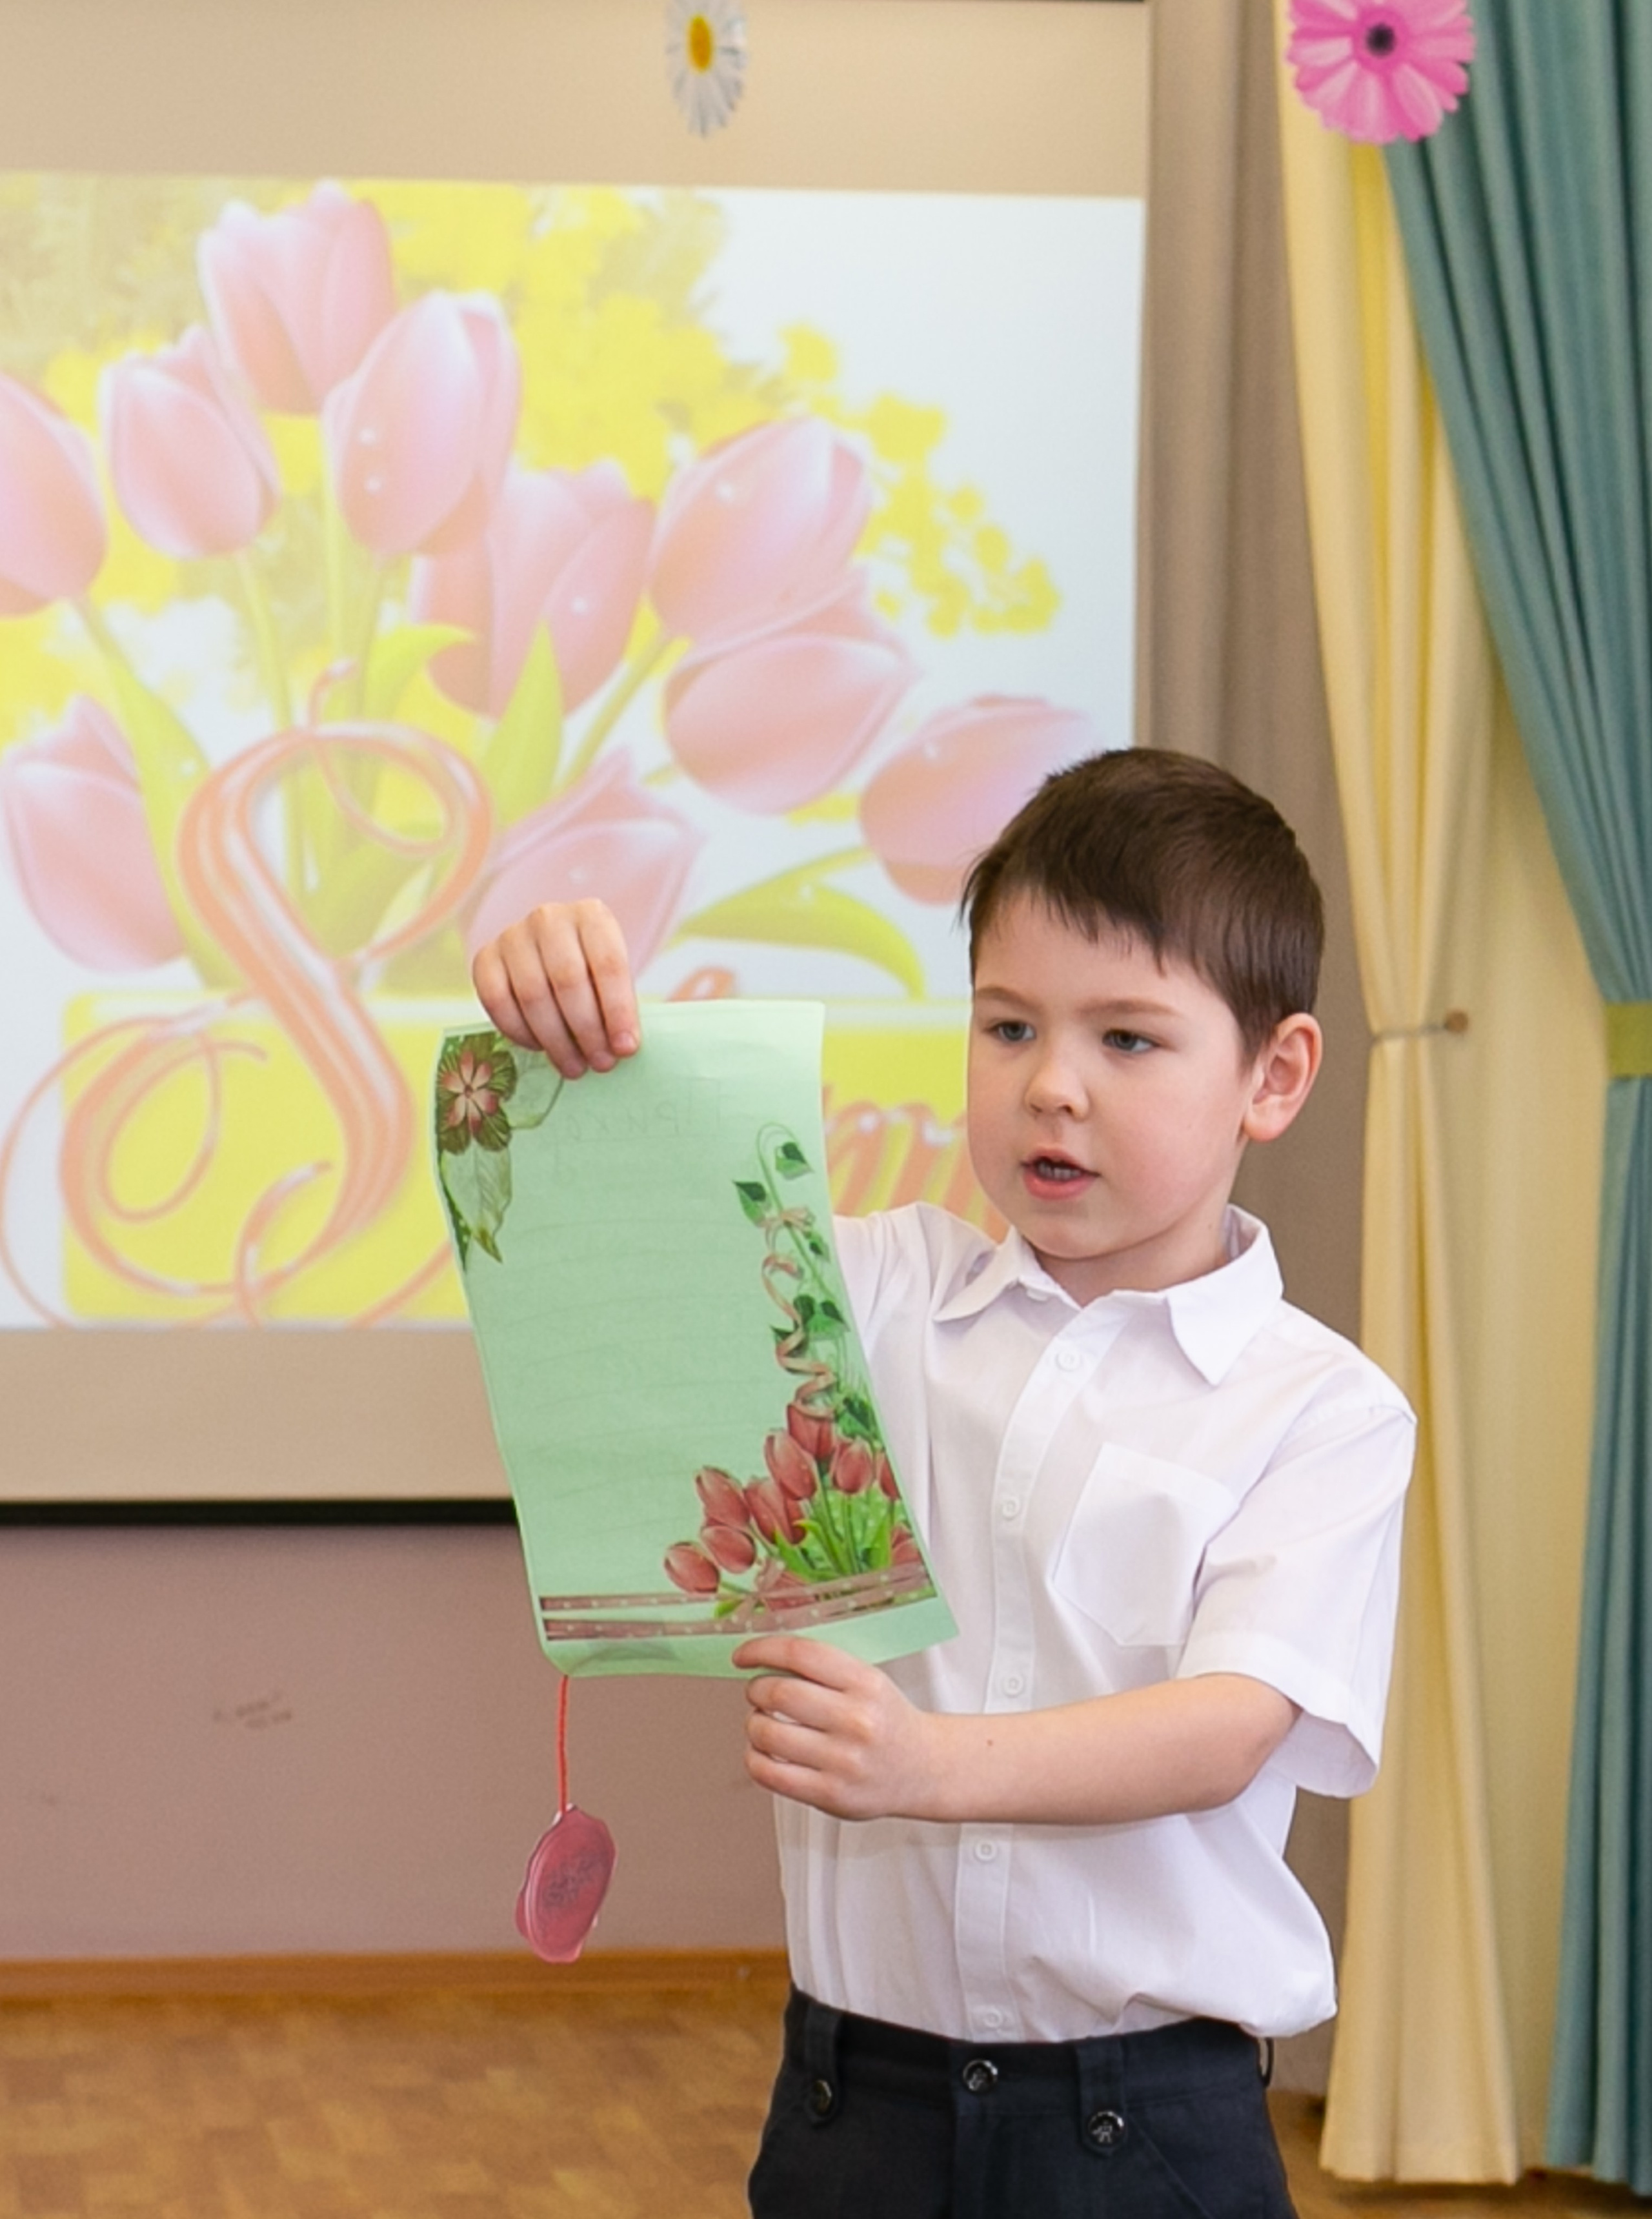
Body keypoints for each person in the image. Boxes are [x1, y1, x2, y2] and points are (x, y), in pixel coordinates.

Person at [472, 748, 1415, 2219]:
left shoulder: (1323, 1411)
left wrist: (925, 1770)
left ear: (1273, 1076)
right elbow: (628, 1244)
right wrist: (557, 1010)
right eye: (1006, 1025)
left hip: (1150, 2130)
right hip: (855, 2105)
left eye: (1128, 1041)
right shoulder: (871, 1295)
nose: (1051, 1086)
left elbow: (1227, 1726)